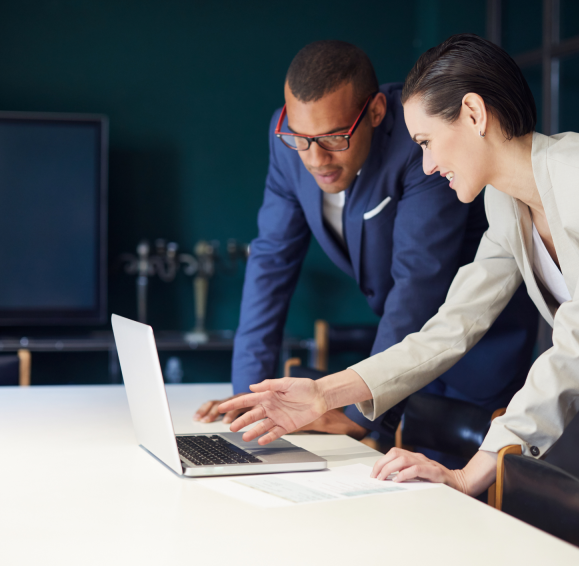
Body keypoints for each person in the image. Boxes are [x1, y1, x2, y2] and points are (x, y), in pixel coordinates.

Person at [219, 34, 579, 565]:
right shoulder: (505, 203)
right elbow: (451, 326)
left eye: (427, 142)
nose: (426, 165)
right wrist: (324, 393)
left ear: (474, 114)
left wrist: (470, 472)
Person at [193, 40, 538, 463]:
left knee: (453, 487)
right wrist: (250, 401)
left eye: (334, 137)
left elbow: (418, 281)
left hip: (476, 352)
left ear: (375, 111)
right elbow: (271, 261)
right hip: (396, 350)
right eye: (301, 138)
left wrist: (359, 414)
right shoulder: (290, 142)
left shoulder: (419, 141)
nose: (315, 159)